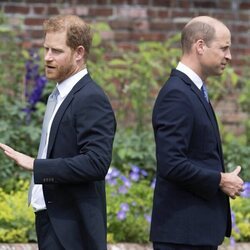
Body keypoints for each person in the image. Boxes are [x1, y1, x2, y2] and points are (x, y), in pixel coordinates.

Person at [0, 14, 116, 250]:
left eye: (56, 51)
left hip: (72, 230)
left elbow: (96, 163)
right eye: (46, 49)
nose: (47, 58)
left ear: (79, 53)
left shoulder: (90, 98)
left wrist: (36, 165)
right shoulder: (59, 94)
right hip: (51, 220)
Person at [150, 16, 244, 250]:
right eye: (224, 48)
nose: (229, 56)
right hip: (182, 236)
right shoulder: (177, 95)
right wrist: (220, 179)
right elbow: (171, 163)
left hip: (193, 234)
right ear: (200, 46)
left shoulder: (192, 91)